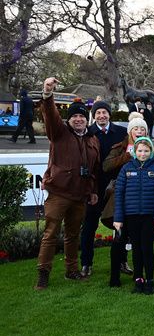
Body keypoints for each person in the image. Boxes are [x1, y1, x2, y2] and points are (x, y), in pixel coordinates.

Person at [34, 78, 100, 290]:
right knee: (51, 233)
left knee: (73, 235)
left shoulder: (92, 140)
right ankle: (43, 273)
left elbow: (94, 169)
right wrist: (47, 92)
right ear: (69, 119)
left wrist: (93, 191)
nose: (79, 119)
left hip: (80, 195)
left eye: (82, 116)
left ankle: (72, 271)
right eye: (75, 116)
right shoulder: (59, 132)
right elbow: (51, 115)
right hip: (59, 193)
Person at [112, 137, 154, 294]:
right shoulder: (126, 168)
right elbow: (119, 194)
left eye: (146, 150)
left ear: (151, 151)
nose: (143, 154)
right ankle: (138, 279)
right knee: (136, 249)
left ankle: (149, 279)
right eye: (140, 151)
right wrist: (118, 218)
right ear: (134, 152)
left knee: (147, 248)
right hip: (131, 216)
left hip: (149, 216)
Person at [80, 100, 128, 278]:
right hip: (94, 187)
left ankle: (122, 261)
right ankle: (86, 263)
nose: (101, 115)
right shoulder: (87, 133)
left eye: (104, 112)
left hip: (117, 186)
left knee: (120, 225)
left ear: (109, 114)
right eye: (98, 113)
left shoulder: (122, 133)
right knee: (90, 226)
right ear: (94, 115)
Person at [102, 112, 149, 286]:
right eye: (135, 128)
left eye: (142, 128)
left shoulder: (150, 148)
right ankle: (115, 276)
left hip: (142, 201)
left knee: (138, 241)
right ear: (130, 131)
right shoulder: (120, 147)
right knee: (119, 238)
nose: (139, 131)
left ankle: (138, 273)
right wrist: (128, 156)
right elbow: (106, 166)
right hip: (121, 198)